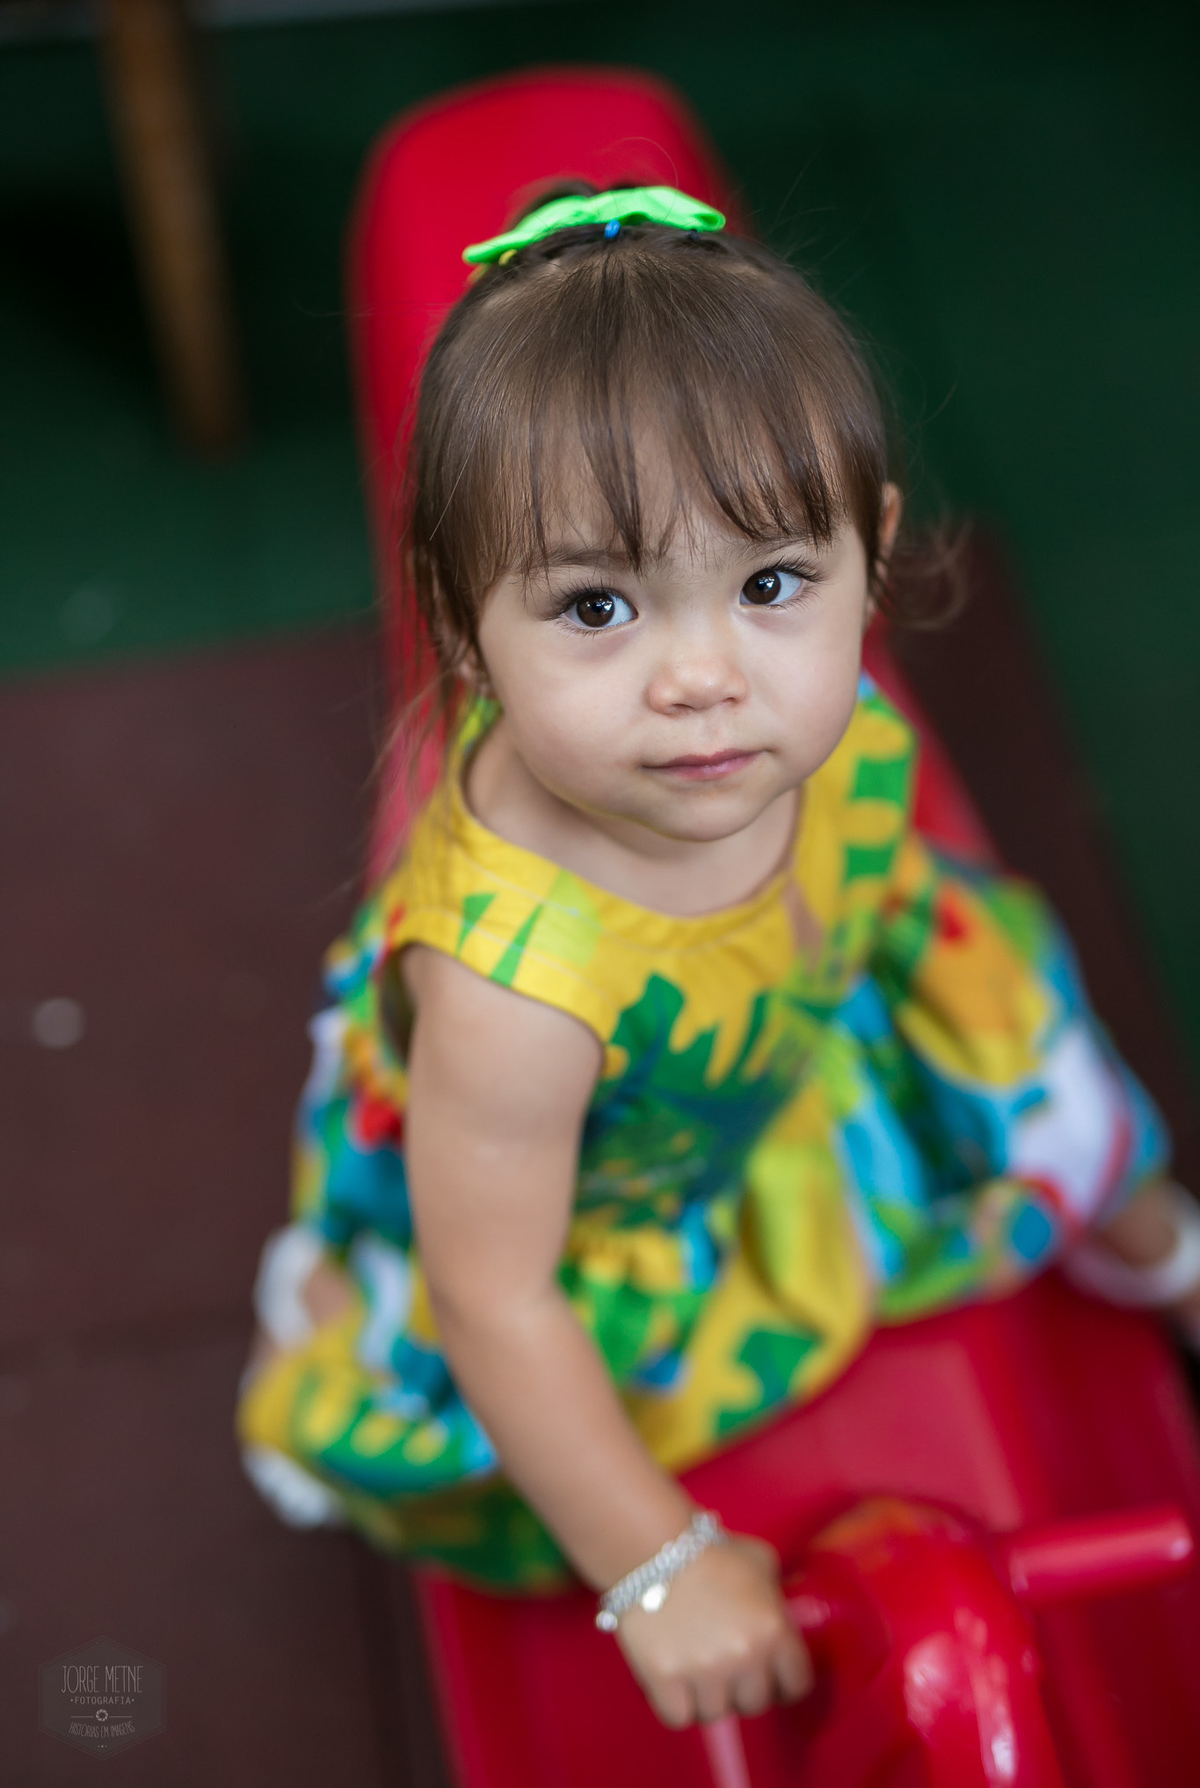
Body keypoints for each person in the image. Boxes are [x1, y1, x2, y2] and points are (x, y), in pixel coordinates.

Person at [236, 184, 1200, 1731]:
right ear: (464, 630)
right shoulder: (515, 989)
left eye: (769, 584)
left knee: (1028, 1041)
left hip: (818, 1015)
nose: (704, 679)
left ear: (867, 558)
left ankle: (1135, 1217)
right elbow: (498, 1303)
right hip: (611, 1186)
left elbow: (882, 895)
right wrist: (661, 1563)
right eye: (598, 606)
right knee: (489, 1420)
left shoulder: (808, 724)